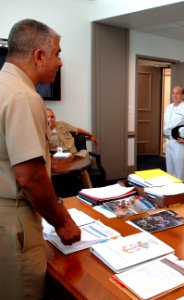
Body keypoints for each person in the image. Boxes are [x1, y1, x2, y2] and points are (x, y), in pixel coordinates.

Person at [0, 19, 81, 299]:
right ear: (39, 55)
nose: (60, 63)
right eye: (57, 54)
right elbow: (31, 177)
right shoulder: (24, 97)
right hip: (14, 221)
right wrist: (62, 221)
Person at [163, 85, 184, 182]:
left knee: (180, 173)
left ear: (183, 95)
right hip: (169, 142)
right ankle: (172, 195)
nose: (175, 95)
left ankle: (182, 195)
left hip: (179, 144)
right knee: (170, 173)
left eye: (177, 93)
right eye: (173, 93)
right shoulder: (169, 108)